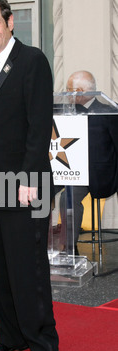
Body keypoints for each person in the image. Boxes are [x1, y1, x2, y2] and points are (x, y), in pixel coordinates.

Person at [0, 0, 59, 351]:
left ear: (10, 22)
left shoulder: (32, 60)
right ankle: (10, 336)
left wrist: (27, 180)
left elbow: (39, 128)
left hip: (25, 182)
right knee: (0, 265)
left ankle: (42, 344)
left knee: (28, 266)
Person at [59, 71, 118, 249]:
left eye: (70, 90)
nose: (67, 94)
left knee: (67, 197)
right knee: (50, 193)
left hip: (101, 173)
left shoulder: (110, 112)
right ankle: (64, 249)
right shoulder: (64, 112)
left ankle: (68, 248)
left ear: (81, 91)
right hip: (69, 170)